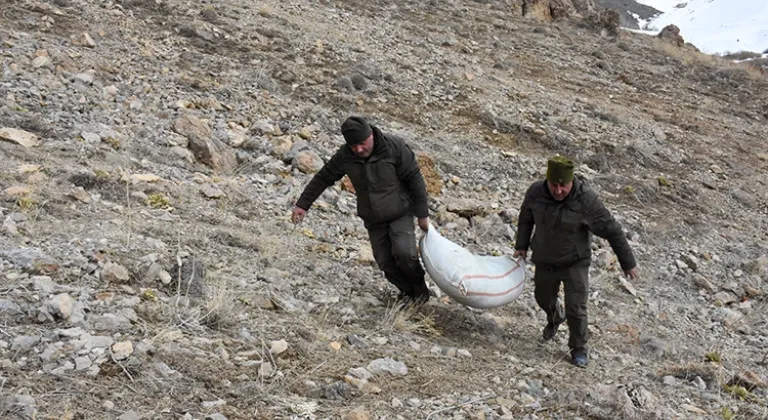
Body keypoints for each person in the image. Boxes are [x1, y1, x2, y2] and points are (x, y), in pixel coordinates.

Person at [291, 116, 432, 305]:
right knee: (385, 261)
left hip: (400, 212)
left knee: (405, 254)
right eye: (353, 146)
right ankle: (407, 293)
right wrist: (303, 204)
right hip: (373, 218)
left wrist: (422, 215)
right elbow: (324, 177)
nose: (358, 149)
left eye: (362, 143)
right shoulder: (345, 156)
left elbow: (415, 178)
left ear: (371, 135)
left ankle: (421, 294)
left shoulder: (394, 147)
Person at [513, 156, 638, 367]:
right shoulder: (535, 192)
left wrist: (628, 263)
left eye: (564, 186)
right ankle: (554, 318)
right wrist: (521, 245)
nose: (559, 190)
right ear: (547, 180)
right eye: (554, 185)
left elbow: (613, 230)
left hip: (575, 263)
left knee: (576, 308)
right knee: (542, 297)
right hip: (545, 259)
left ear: (572, 181)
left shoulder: (587, 200)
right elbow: (526, 218)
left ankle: (578, 349)